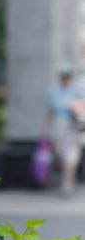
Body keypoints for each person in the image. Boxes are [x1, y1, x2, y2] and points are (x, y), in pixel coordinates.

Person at [42, 67, 85, 196]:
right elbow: (50, 112)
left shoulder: (77, 91)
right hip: (58, 126)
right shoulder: (54, 92)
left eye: (68, 76)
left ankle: (67, 183)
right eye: (63, 76)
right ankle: (67, 176)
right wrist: (45, 129)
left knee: (71, 155)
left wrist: (77, 110)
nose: (65, 79)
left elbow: (82, 108)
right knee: (59, 153)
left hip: (73, 127)